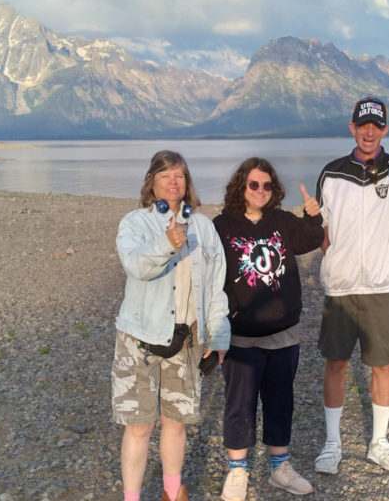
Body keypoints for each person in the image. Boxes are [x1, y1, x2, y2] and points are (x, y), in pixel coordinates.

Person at [313, 97, 389, 474]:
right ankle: (332, 443)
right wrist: (328, 252)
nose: (370, 132)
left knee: (382, 365)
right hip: (341, 288)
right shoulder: (331, 174)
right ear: (352, 128)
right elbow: (324, 231)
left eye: (377, 126)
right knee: (336, 364)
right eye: (363, 125)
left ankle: (378, 442)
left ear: (385, 131)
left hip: (382, 286)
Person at [113, 150, 231, 501]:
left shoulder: (205, 227)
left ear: (187, 183)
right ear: (151, 182)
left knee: (176, 423)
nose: (173, 182)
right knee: (139, 426)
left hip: (186, 339)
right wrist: (168, 244)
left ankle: (171, 493)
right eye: (165, 176)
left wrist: (219, 333)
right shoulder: (135, 223)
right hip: (139, 340)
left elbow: (216, 285)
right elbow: (137, 266)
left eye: (179, 175)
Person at [213, 157, 324, 500]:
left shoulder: (282, 221)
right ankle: (237, 471)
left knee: (280, 402)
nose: (261, 191)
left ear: (274, 190)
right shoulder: (222, 225)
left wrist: (313, 214)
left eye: (267, 185)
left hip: (283, 334)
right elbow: (210, 274)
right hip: (241, 337)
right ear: (241, 187)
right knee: (239, 404)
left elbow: (312, 238)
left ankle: (280, 468)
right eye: (254, 184)